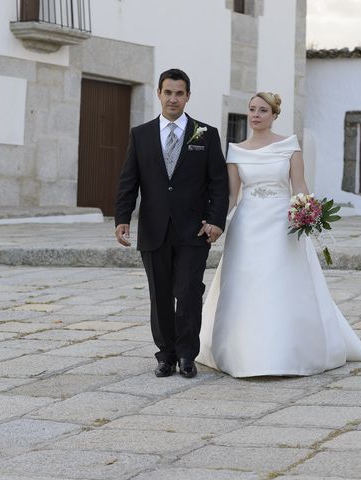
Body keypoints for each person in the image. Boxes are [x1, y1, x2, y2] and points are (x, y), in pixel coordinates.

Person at [197, 92, 361, 377]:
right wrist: (214, 220)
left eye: (262, 110)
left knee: (281, 284)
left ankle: (285, 351)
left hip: (283, 225)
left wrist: (308, 212)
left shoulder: (289, 145)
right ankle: (243, 353)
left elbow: (300, 185)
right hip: (247, 225)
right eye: (252, 110)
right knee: (246, 284)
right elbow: (232, 196)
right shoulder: (236, 150)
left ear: (274, 115)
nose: (255, 115)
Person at [115, 68, 229, 379]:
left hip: (193, 231)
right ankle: (165, 355)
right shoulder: (140, 135)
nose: (173, 98)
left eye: (180, 93)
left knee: (189, 292)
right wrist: (122, 218)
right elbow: (129, 180)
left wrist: (216, 221)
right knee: (160, 294)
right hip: (154, 230)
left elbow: (218, 183)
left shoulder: (205, 135)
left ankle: (186, 355)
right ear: (159, 94)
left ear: (188, 96)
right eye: (168, 92)